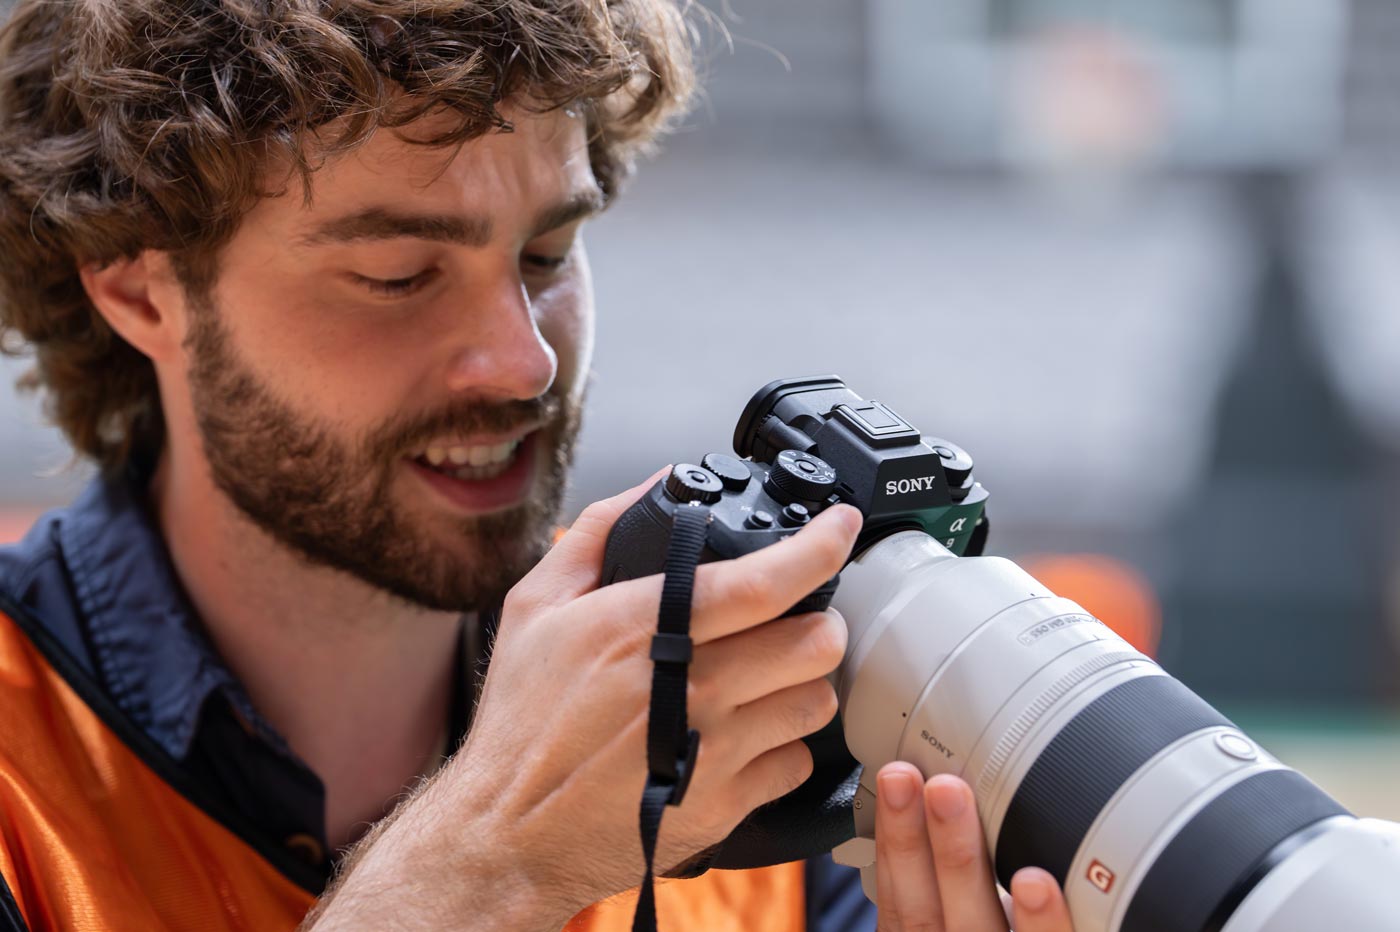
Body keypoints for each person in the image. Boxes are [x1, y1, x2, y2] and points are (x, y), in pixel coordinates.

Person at [0, 2, 1074, 930]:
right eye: (398, 273)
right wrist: (489, 866)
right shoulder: (23, 781)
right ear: (142, 294)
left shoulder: (736, 717)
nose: (525, 361)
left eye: (547, 255)